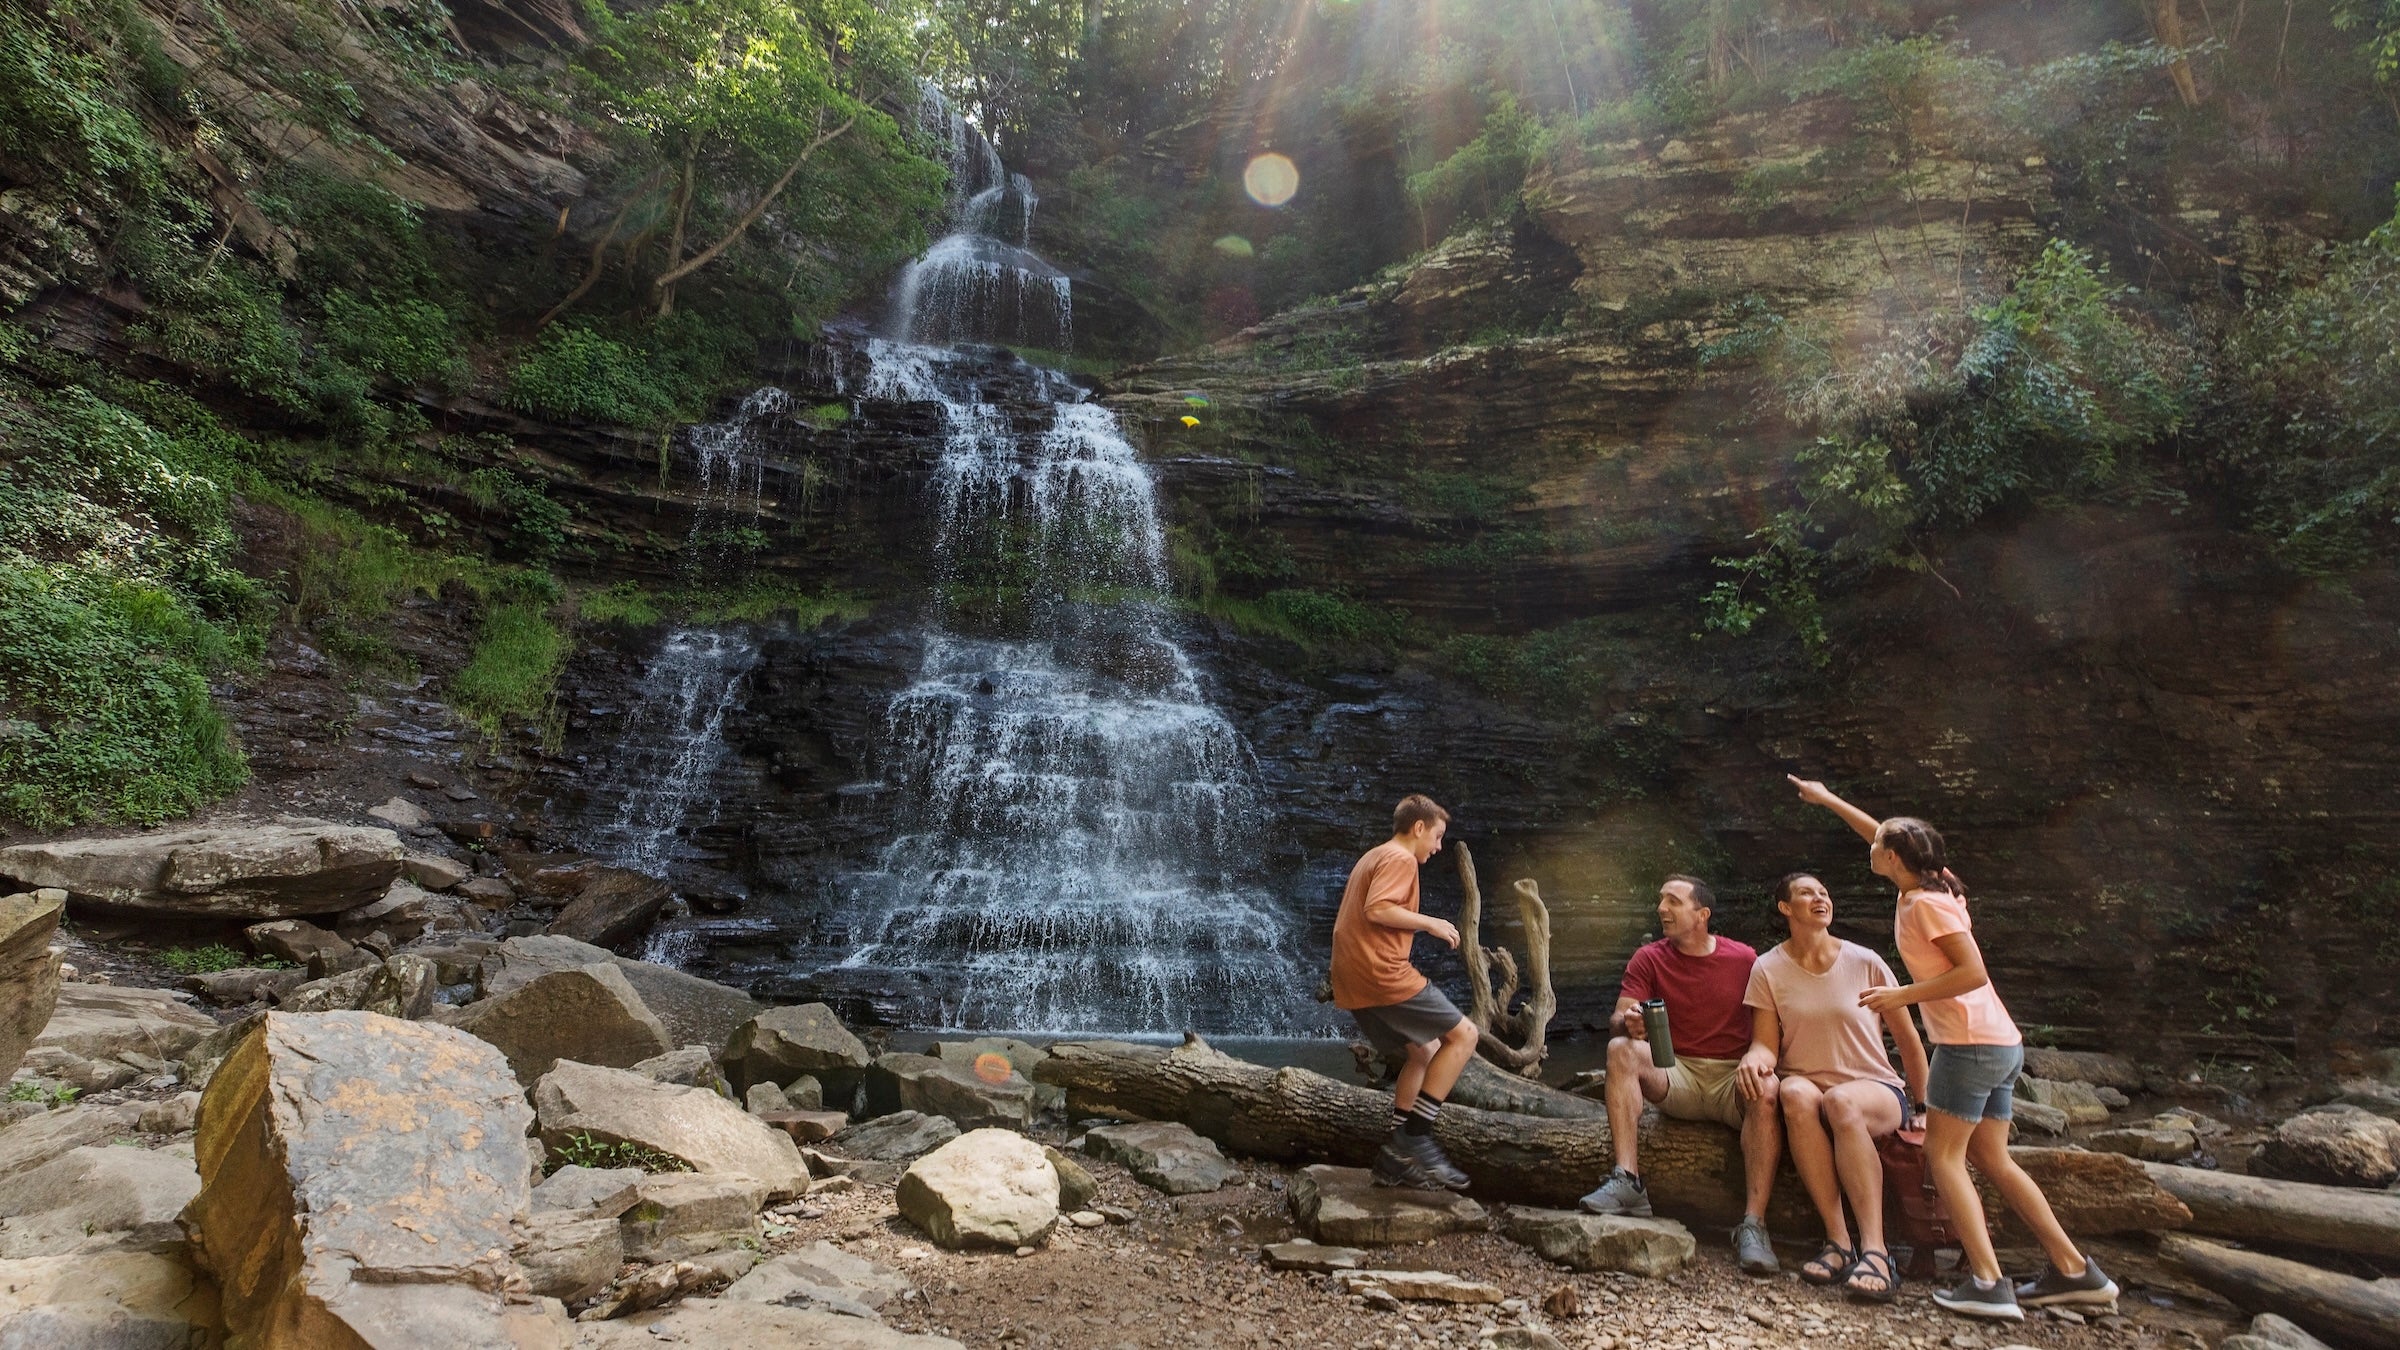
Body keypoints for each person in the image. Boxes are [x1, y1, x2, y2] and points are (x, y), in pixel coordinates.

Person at [1788, 776, 2120, 1321]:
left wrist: (1903, 994)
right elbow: (1882, 833)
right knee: (1992, 1157)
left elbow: (1972, 972)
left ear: (1894, 859)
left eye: (1877, 849)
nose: (1869, 848)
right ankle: (2075, 1269)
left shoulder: (1925, 907)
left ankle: (1988, 1283)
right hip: (1998, 1042)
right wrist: (1827, 801)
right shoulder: (1930, 883)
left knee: (1944, 1158)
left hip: (1967, 1046)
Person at [1579, 875, 1782, 1277]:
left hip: (1731, 1079)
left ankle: (1754, 1226)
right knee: (1620, 1050)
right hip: (1677, 1073)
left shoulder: (1745, 959)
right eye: (1660, 900)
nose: (1661, 909)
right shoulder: (1648, 957)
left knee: (1769, 1086)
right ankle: (1628, 1180)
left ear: (1702, 915)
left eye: (1673, 901)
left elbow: (1769, 1027)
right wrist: (1629, 1022)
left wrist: (1758, 1059)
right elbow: (1618, 1017)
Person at [1741, 872, 1929, 1303]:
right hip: (1808, 1085)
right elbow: (1766, 1044)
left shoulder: (1866, 962)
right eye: (1807, 893)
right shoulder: (1768, 968)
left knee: (1841, 1101)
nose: (1820, 897)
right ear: (1785, 908)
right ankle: (1839, 1243)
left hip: (1874, 1089)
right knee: (1792, 1093)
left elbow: (1908, 1039)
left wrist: (1926, 1105)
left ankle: (1877, 1252)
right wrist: (1755, 1060)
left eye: (1824, 892)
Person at [1330, 794, 1479, 1190]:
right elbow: (1377, 909)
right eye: (1437, 836)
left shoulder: (1374, 855)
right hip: (1379, 970)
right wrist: (1430, 923)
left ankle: (1393, 1161)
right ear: (1418, 828)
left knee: (1424, 1051)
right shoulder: (1400, 859)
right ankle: (1415, 1136)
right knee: (1465, 1035)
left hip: (1352, 976)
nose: (1438, 846)